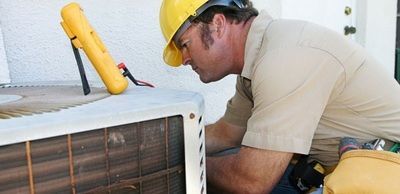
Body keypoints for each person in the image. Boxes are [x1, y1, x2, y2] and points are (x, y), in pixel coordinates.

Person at [159, 0, 400, 193]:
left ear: (218, 24)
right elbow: (226, 133)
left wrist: (182, 164)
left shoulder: (284, 57)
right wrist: (166, 146)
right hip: (337, 172)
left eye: (184, 44)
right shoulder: (253, 66)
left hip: (384, 175)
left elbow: (251, 181)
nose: (183, 60)